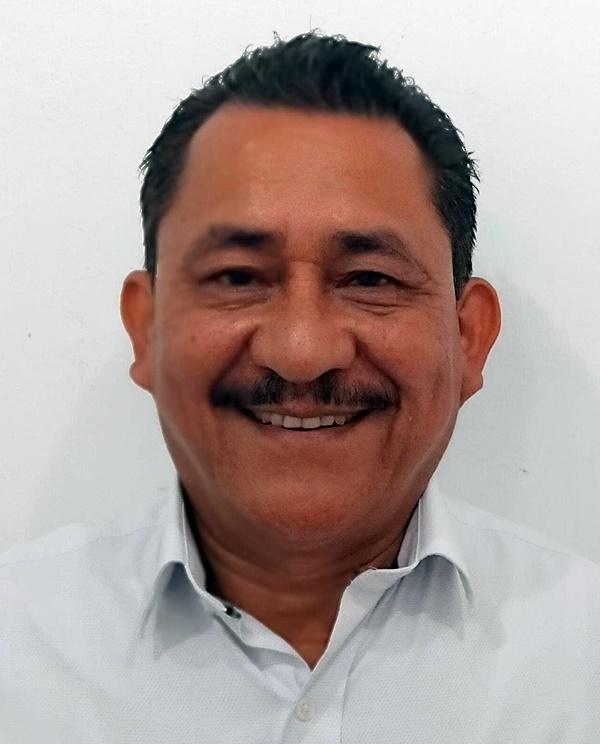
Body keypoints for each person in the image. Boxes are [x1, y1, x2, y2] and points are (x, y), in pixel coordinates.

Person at [2, 31, 599, 743]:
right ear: (147, 330)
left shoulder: (580, 657)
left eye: (369, 279)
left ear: (468, 337)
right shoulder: (18, 645)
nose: (302, 352)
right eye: (238, 277)